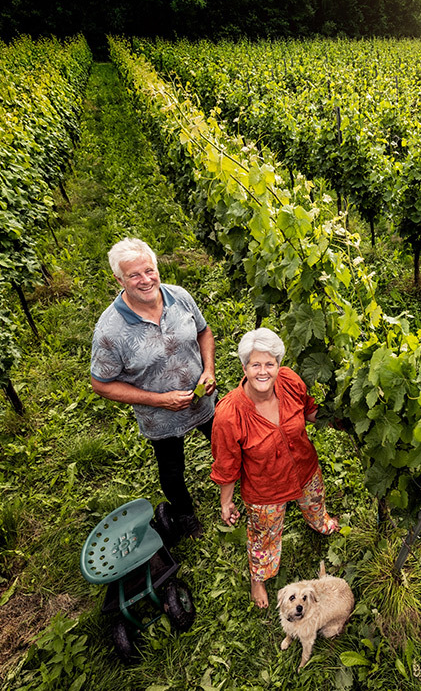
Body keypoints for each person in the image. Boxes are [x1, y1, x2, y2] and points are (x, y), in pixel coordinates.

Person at [90, 237, 216, 538]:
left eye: (149, 270)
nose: (145, 280)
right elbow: (101, 385)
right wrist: (159, 400)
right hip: (160, 418)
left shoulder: (180, 297)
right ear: (119, 279)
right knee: (172, 469)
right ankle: (184, 514)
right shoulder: (110, 331)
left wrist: (209, 369)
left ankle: (240, 483)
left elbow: (204, 331)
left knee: (226, 441)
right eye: (134, 275)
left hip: (205, 401)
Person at [210, 327, 339, 608]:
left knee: (316, 505)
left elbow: (309, 411)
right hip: (265, 490)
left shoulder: (290, 382)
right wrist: (226, 502)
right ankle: (259, 578)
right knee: (263, 537)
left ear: (279, 365)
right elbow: (227, 465)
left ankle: (321, 524)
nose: (263, 372)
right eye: (256, 364)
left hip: (304, 469)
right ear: (244, 367)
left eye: (270, 364)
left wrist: (339, 418)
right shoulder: (229, 414)